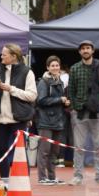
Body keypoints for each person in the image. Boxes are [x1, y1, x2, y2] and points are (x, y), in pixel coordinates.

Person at [0, 43, 37, 188]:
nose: (1, 57)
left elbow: (32, 96)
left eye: (4, 54)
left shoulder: (27, 72)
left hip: (19, 119)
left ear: (14, 56)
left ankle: (23, 184)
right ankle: (5, 184)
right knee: (2, 151)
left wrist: (11, 89)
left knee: (20, 152)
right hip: (1, 118)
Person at [68, 40, 99, 185]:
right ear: (79, 52)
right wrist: (73, 108)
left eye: (88, 48)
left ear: (93, 50)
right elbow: (71, 91)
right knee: (79, 146)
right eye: (83, 49)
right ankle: (77, 176)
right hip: (79, 112)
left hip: (98, 112)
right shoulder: (74, 68)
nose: (85, 50)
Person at [35, 55, 69, 184]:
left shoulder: (60, 81)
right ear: (48, 68)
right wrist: (59, 100)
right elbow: (41, 100)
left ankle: (52, 177)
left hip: (58, 121)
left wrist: (65, 103)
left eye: (57, 65)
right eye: (52, 65)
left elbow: (59, 101)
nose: (55, 68)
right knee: (44, 151)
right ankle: (42, 178)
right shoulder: (43, 82)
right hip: (45, 121)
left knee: (55, 151)